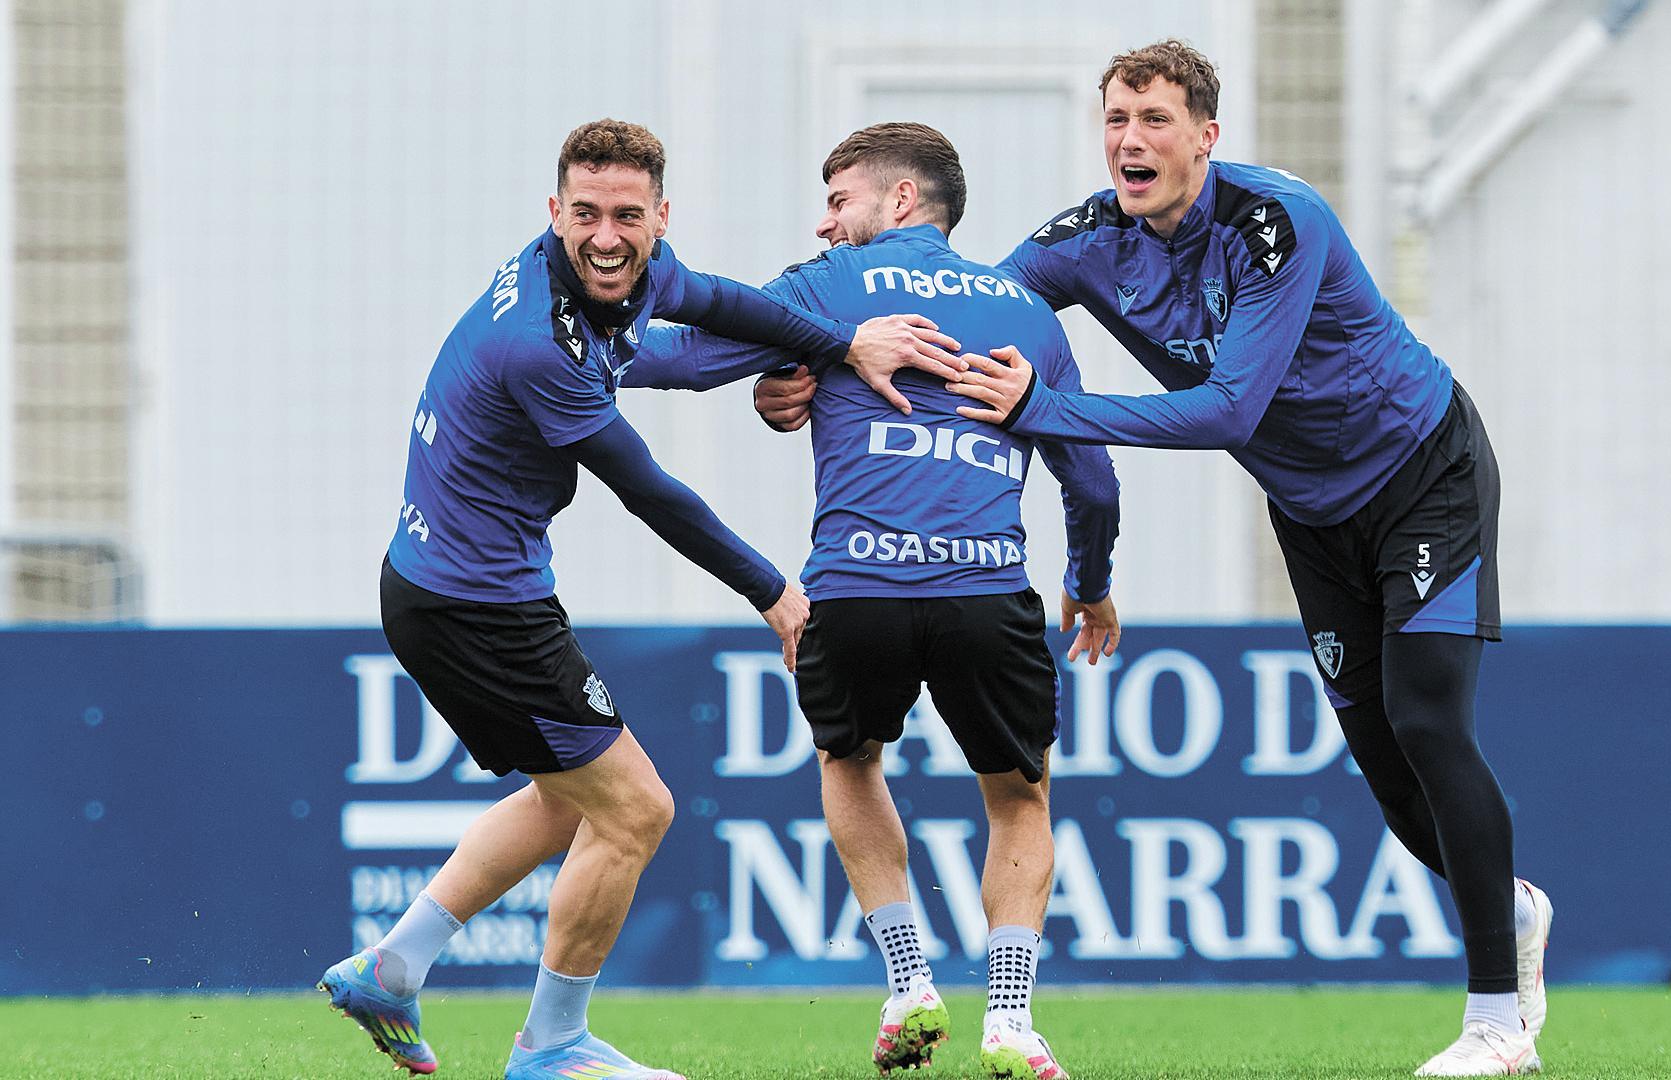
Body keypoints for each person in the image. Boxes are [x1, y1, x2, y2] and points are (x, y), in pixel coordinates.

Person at [757, 43, 1554, 1079]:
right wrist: (824, 358)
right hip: (1312, 512)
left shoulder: (1278, 221)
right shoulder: (1090, 239)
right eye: (1117, 120)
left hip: (1421, 470)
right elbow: (969, 310)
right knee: (1385, 768)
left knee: (1428, 720)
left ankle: (1497, 1021)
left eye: (1156, 120)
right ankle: (1509, 908)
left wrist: (1046, 407)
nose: (1131, 140)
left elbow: (1231, 409)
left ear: (1206, 139)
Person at [318, 118, 963, 1080]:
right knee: (636, 810)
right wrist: (776, 593)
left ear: (660, 217)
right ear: (554, 213)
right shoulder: (535, 343)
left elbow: (725, 310)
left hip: (456, 587)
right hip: (473, 608)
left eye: (627, 215)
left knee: (563, 799)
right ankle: (550, 1047)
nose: (607, 236)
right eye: (586, 214)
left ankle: (393, 966)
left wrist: (837, 345)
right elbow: (652, 491)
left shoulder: (635, 275)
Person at [642, 122, 1120, 1080]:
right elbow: (1093, 481)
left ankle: (908, 981)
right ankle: (1014, 1021)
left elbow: (685, 358)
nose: (824, 225)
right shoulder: (1028, 311)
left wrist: (571, 349)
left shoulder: (823, 290)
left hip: (856, 588)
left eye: (839, 199)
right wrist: (1091, 584)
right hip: (989, 587)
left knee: (849, 761)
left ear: (900, 200)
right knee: (1020, 800)